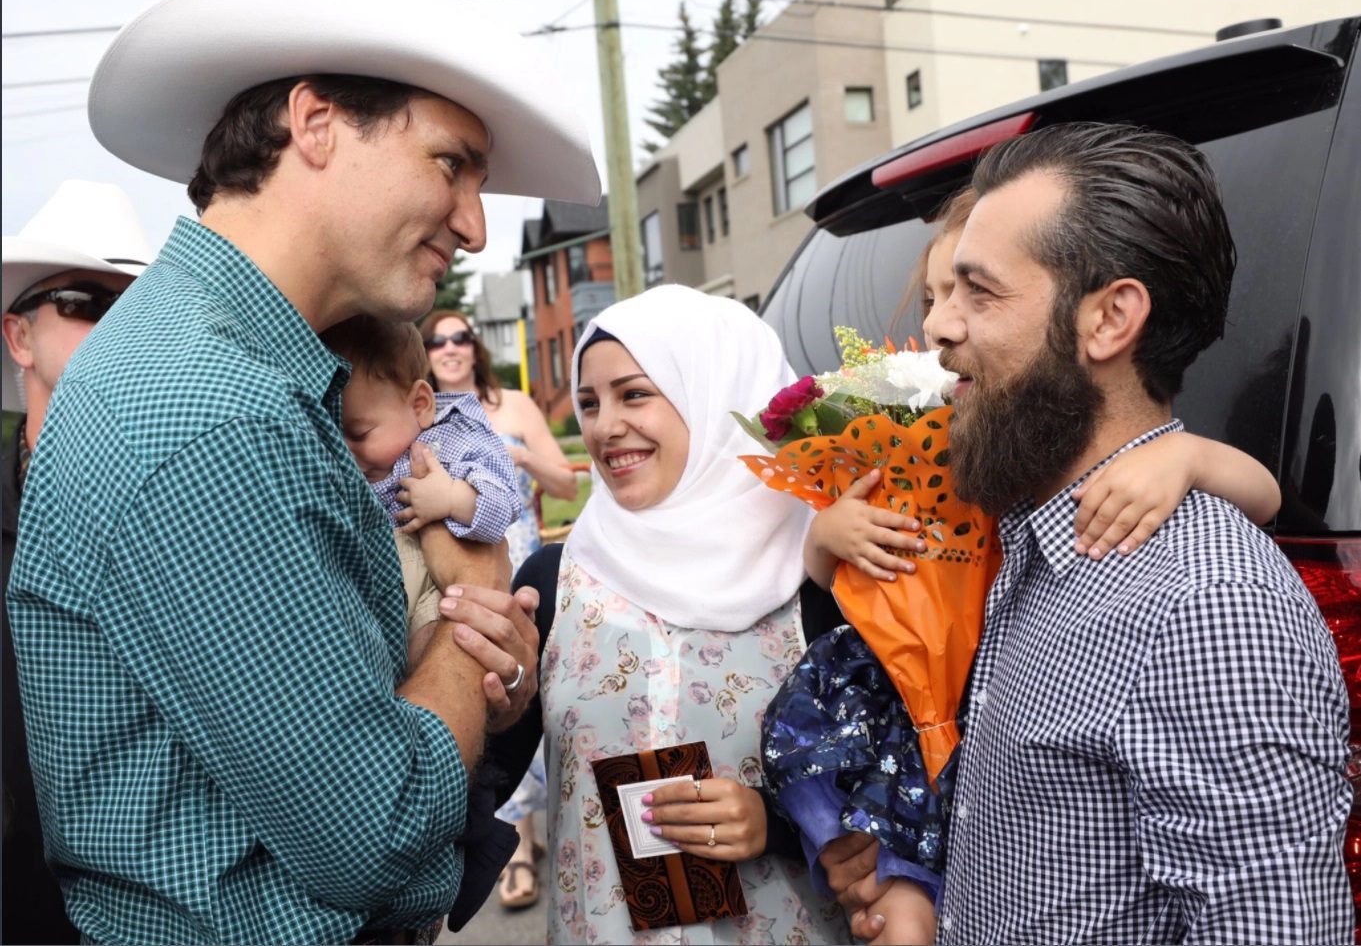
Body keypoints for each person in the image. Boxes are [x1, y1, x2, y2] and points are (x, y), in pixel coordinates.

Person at [7, 0, 599, 945]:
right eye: (449, 164)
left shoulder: (230, 375)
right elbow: (381, 828)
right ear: (314, 124)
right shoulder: (208, 409)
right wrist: (467, 617)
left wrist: (469, 669)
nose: (473, 223)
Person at [839, 123, 1351, 943]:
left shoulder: (1207, 608)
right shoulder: (1032, 543)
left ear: (1110, 319)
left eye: (980, 290)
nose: (936, 329)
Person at [463, 284, 853, 944]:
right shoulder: (555, 581)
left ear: (713, 389)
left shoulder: (815, 577)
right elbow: (482, 786)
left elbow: (899, 794)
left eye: (634, 393)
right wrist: (490, 712)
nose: (604, 425)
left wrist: (775, 822)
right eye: (588, 402)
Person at [1, 180, 151, 945]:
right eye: (88, 300)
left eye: (138, 302)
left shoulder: (186, 498)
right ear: (20, 339)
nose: (121, 323)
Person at [419, 309, 576, 909]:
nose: (450, 346)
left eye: (461, 336)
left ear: (475, 347)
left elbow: (566, 484)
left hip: (520, 556)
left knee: (525, 692)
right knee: (481, 689)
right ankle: (511, 843)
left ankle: (527, 837)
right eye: (437, 338)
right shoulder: (419, 417)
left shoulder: (509, 403)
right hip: (450, 567)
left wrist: (517, 458)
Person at [321, 314, 521, 660]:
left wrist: (450, 498)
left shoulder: (450, 441)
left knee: (432, 645)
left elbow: (503, 505)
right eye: (334, 437)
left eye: (358, 434)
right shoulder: (353, 467)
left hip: (434, 581)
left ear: (420, 406)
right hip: (378, 588)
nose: (346, 453)